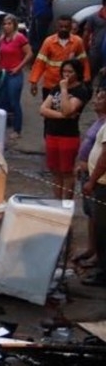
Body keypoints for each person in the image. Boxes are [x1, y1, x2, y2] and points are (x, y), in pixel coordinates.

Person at [40, 59, 91, 200]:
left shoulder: (80, 91)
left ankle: (67, 203)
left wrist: (64, 90)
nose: (66, 74)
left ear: (77, 73)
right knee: (55, 170)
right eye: (64, 71)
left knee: (67, 171)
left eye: (70, 72)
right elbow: (43, 109)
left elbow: (69, 109)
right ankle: (57, 201)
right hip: (52, 132)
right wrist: (62, 116)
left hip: (68, 136)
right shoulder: (56, 87)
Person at [75, 87, 106, 269]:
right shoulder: (99, 121)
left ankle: (100, 264)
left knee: (100, 223)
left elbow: (104, 157)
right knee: (91, 215)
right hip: (89, 175)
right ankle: (92, 249)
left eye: (101, 98)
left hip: (99, 181)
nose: (95, 101)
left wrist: (92, 180)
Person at [30, 15, 91, 99]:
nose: (63, 29)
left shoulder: (77, 41)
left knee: (67, 110)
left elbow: (84, 61)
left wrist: (86, 78)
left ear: (70, 27)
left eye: (66, 27)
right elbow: (40, 62)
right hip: (51, 85)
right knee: (48, 110)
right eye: (61, 26)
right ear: (56, 27)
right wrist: (34, 81)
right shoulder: (49, 42)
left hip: (70, 85)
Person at [80, 102, 106, 287]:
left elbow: (105, 157)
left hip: (102, 184)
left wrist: (92, 180)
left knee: (102, 229)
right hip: (98, 181)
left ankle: (103, 273)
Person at [0, 15, 33, 140]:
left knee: (14, 101)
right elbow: (0, 53)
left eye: (9, 24)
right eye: (5, 24)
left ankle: (17, 130)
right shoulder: (2, 38)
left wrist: (19, 67)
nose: (6, 26)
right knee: (0, 101)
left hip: (15, 74)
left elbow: (29, 54)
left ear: (14, 25)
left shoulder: (20, 38)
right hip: (4, 73)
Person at [82, 0, 106, 81]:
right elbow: (86, 34)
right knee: (90, 75)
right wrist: (84, 50)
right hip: (95, 51)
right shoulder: (94, 17)